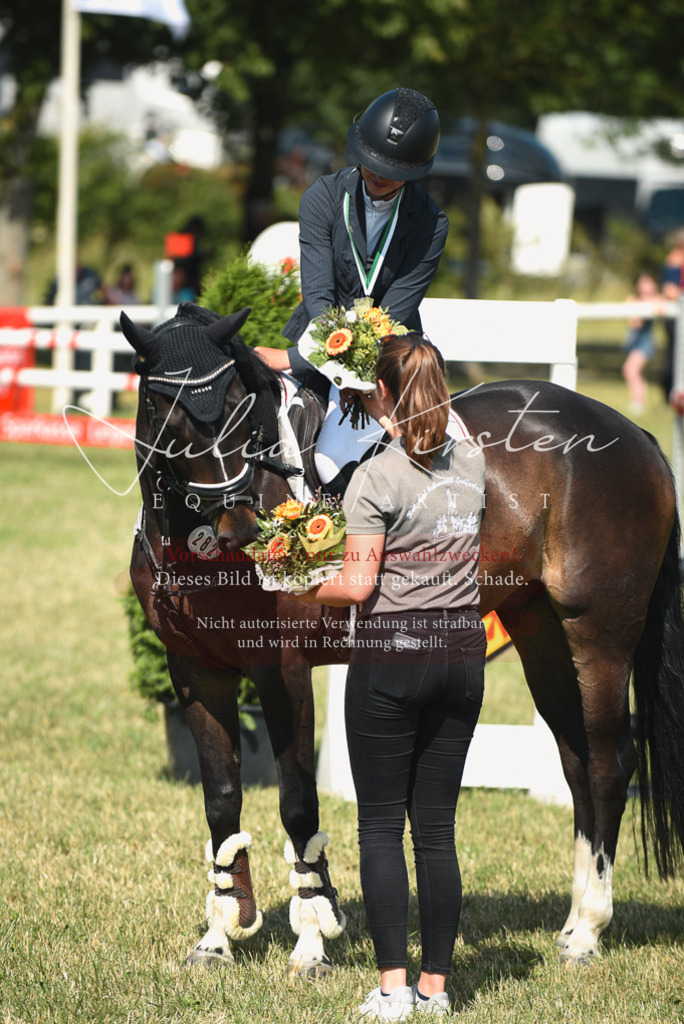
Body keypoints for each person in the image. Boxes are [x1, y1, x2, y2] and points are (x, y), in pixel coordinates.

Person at [301, 335, 486, 1019]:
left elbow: (355, 584)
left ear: (380, 393)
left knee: (381, 830)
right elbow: (443, 424)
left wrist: (290, 580)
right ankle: (436, 991)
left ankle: (391, 990)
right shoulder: (475, 460)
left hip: (393, 658)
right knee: (437, 832)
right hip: (464, 657)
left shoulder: (376, 477)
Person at [255, 88, 449, 492]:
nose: (377, 173)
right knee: (297, 452)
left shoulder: (431, 222)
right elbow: (319, 299)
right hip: (318, 341)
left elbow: (395, 312)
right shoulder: (322, 198)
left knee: (432, 450)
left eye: (392, 168)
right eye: (370, 161)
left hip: (393, 353)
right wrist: (326, 367)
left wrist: (292, 359)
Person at [621, 273, 663, 414]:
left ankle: (638, 403)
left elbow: (660, 309)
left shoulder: (657, 299)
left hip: (645, 341)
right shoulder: (633, 299)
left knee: (631, 369)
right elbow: (634, 322)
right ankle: (637, 401)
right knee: (634, 371)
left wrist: (648, 301)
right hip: (634, 339)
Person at [660, 229, 684, 401]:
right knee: (675, 356)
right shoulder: (674, 262)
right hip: (676, 317)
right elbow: (669, 290)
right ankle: (670, 391)